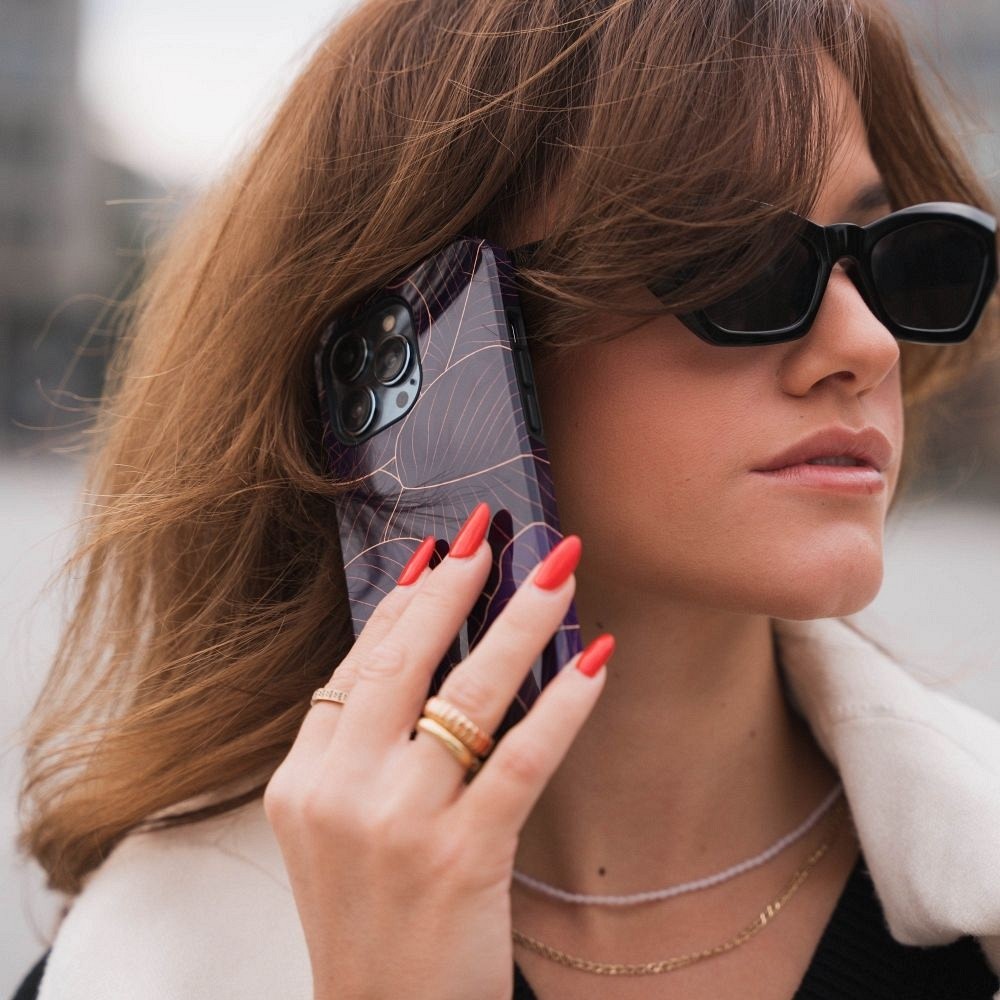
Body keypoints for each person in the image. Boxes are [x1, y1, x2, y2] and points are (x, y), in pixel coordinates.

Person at [10, 0, 1000, 997]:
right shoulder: (146, 961)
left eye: (893, 257)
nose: (869, 343)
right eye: (733, 259)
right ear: (418, 342)